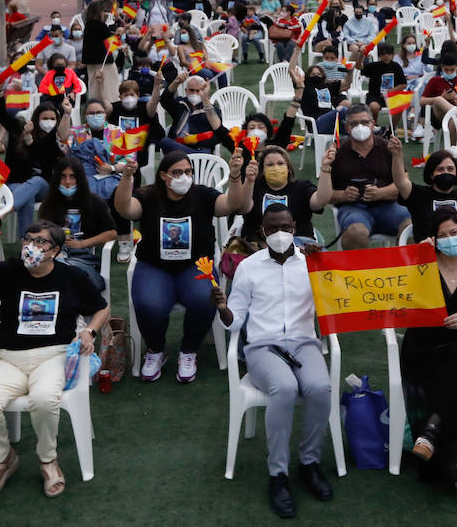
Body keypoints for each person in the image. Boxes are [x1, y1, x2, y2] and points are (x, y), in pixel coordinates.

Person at [0, 218, 108, 498]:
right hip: (10, 358)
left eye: (40, 241)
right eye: (28, 239)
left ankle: (47, 460)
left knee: (43, 399)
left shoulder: (71, 276)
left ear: (54, 250)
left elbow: (101, 309)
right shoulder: (10, 271)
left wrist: (89, 331)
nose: (31, 246)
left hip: (54, 355)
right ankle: (4, 458)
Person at [211, 205, 334, 518]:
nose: (280, 233)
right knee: (285, 388)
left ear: (294, 226)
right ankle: (278, 474)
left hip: (304, 343)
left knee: (320, 387)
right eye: (272, 228)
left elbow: (334, 302)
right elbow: (235, 321)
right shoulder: (249, 268)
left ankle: (309, 463)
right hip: (264, 348)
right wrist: (224, 309)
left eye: (285, 226)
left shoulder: (310, 262)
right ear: (263, 232)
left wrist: (323, 266)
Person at [114, 149, 253, 382]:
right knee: (149, 303)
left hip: (196, 265)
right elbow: (125, 209)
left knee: (205, 299)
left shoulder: (203, 195)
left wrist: (235, 176)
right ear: (163, 176)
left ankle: (189, 351)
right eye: (176, 172)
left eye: (188, 172)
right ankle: (156, 350)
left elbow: (231, 204)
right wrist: (127, 177)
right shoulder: (148, 196)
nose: (184, 177)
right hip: (154, 265)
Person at [401, 208, 457, 503]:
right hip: (424, 348)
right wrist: (418, 260)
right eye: (442, 236)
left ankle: (435, 427)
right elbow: (402, 304)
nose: (450, 239)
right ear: (434, 239)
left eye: (454, 233)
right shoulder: (424, 265)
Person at [331, 106, 411, 249]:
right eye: (354, 124)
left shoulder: (388, 148)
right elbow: (325, 194)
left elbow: (404, 183)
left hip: (389, 206)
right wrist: (343, 195)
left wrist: (381, 193)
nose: (360, 127)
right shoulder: (337, 153)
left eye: (364, 122)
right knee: (356, 232)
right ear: (347, 128)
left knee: (411, 227)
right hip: (353, 209)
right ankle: (358, 271)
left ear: (373, 125)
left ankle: (404, 267)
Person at [38, 158, 123, 292]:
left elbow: (111, 233)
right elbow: (40, 233)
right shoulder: (49, 204)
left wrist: (83, 244)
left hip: (84, 258)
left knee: (60, 271)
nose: (67, 182)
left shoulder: (94, 202)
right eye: (63, 176)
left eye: (72, 177)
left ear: (80, 179)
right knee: (54, 267)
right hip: (55, 255)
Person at [0, 95, 69, 233]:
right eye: (45, 118)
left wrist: (67, 114)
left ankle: (1, 215)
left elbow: (63, 138)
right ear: (36, 119)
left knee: (37, 181)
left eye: (53, 119)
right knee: (27, 199)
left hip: (45, 188)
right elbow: (3, 117)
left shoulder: (53, 140)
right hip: (17, 184)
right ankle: (25, 245)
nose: (49, 122)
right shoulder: (20, 129)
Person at [238, 143, 334, 249]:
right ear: (263, 170)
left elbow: (320, 201)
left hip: (300, 244)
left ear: (288, 168)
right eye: (270, 165)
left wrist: (325, 168)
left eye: (280, 164)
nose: (276, 168)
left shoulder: (302, 187)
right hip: (258, 245)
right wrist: (249, 181)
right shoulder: (253, 187)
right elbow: (243, 208)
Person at [159, 72, 224, 154]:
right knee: (164, 141)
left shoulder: (210, 109)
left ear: (204, 92)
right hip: (178, 147)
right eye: (191, 90)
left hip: (201, 149)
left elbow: (219, 135)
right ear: (186, 91)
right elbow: (164, 99)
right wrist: (177, 82)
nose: (195, 94)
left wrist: (196, 140)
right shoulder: (180, 104)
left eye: (198, 91)